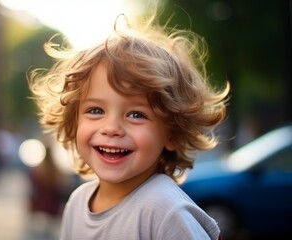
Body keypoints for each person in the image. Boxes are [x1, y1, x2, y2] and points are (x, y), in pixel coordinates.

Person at [28, 11, 229, 240]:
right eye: (96, 111)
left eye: (136, 114)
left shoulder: (165, 210)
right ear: (74, 122)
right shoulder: (77, 202)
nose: (111, 127)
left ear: (172, 133)